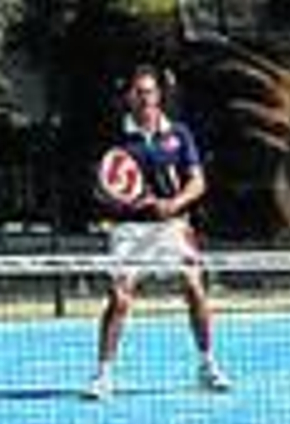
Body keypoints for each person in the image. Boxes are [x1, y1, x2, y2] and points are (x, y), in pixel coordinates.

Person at [85, 64, 230, 401]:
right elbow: (101, 185)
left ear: (158, 95)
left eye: (149, 91)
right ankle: (104, 374)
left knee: (195, 288)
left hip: (172, 227)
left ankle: (207, 364)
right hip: (129, 231)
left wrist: (175, 203)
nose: (144, 98)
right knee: (119, 299)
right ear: (128, 97)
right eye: (138, 92)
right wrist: (118, 199)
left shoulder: (179, 134)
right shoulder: (115, 137)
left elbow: (198, 182)